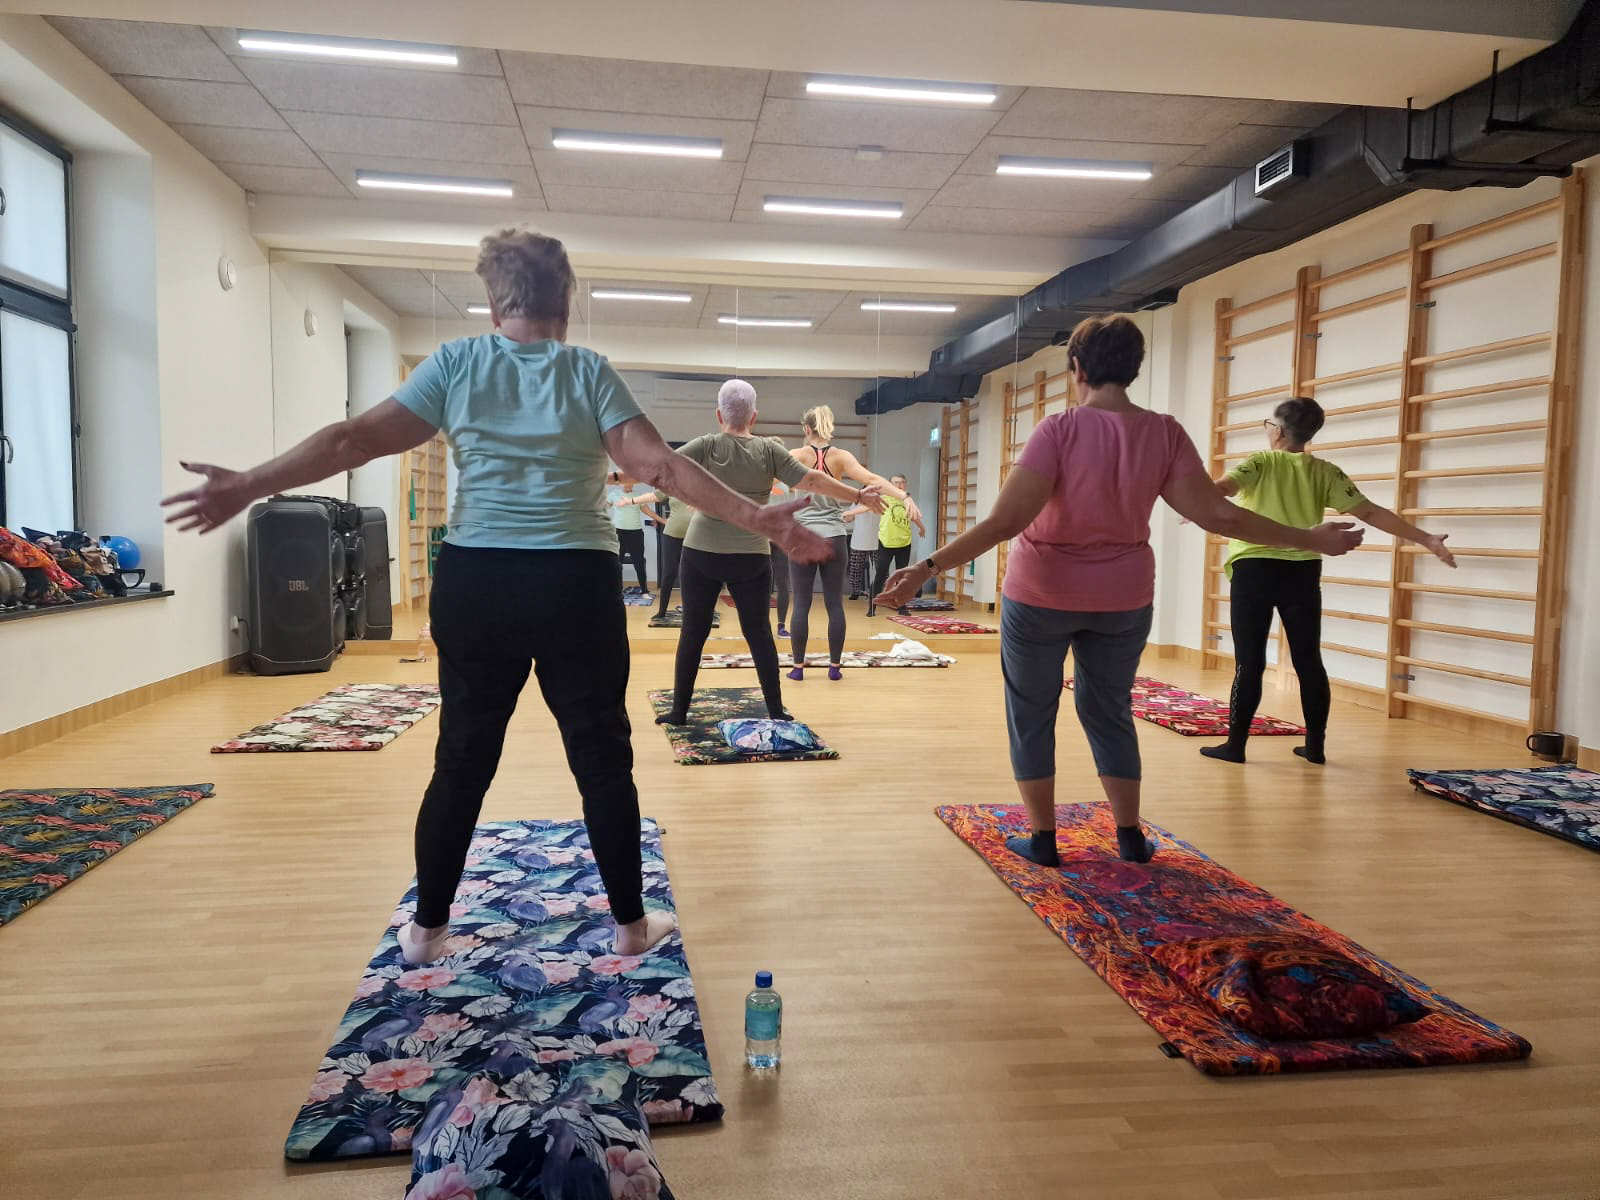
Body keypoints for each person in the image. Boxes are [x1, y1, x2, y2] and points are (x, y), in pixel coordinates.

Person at [162, 228, 828, 964]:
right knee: (601, 758)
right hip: (574, 584)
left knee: (462, 757)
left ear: (491, 302)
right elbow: (660, 468)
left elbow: (354, 439)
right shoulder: (587, 372)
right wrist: (759, 518)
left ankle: (426, 933)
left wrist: (247, 484)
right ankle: (631, 928)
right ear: (566, 302)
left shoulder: (457, 363)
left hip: (477, 581)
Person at [875, 315, 1363, 867]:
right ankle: (1129, 835)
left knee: (1030, 713)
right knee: (1109, 710)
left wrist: (926, 567)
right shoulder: (1164, 432)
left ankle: (1043, 840)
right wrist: (1310, 538)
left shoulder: (1057, 430)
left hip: (1040, 595)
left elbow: (1004, 523)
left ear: (1076, 367)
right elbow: (1218, 515)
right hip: (1123, 598)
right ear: (1134, 368)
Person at [1198, 396, 1457, 766]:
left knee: (1249, 662)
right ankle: (1315, 746)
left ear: (1278, 431)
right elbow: (1370, 511)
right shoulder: (1325, 472)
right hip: (1302, 572)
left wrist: (1197, 506)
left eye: (1269, 425)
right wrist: (1425, 538)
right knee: (1309, 661)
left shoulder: (1261, 462)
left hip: (1253, 569)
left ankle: (1235, 745)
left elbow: (1223, 488)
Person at [654, 380, 881, 725]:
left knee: (693, 633)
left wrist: (612, 477)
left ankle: (679, 712)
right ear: (754, 417)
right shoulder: (768, 450)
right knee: (759, 633)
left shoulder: (707, 444)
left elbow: (661, 468)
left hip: (701, 552)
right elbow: (813, 480)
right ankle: (775, 709)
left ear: (719, 415)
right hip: (750, 556)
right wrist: (859, 496)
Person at [785, 407, 921, 680]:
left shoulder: (795, 456)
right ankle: (834, 669)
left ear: (806, 429)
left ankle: (798, 669)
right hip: (834, 537)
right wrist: (904, 496)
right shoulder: (841, 457)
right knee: (834, 604)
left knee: (801, 604)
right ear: (830, 428)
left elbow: (763, 479)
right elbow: (873, 480)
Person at [864, 476, 926, 617]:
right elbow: (866, 507)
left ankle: (901, 607)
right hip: (886, 543)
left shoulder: (907, 501)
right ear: (890, 485)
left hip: (904, 543)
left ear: (905, 485)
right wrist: (850, 512)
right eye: (895, 483)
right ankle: (872, 606)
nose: (899, 485)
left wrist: (922, 528)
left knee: (902, 576)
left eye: (902, 482)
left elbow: (914, 516)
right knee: (880, 574)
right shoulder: (884, 498)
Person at [607, 479, 650, 593]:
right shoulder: (614, 494)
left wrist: (662, 520)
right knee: (617, 562)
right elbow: (602, 507)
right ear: (620, 483)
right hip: (618, 533)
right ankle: (615, 590)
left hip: (635, 533)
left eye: (630, 482)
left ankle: (644, 590)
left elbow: (647, 510)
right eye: (625, 482)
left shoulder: (637, 496)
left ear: (633, 483)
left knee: (639, 562)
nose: (627, 484)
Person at [845, 487, 879, 599]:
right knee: (855, 568)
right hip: (858, 541)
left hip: (877, 541)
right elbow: (849, 518)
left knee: (879, 568)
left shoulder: (880, 503)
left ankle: (879, 592)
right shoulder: (856, 504)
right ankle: (855, 592)